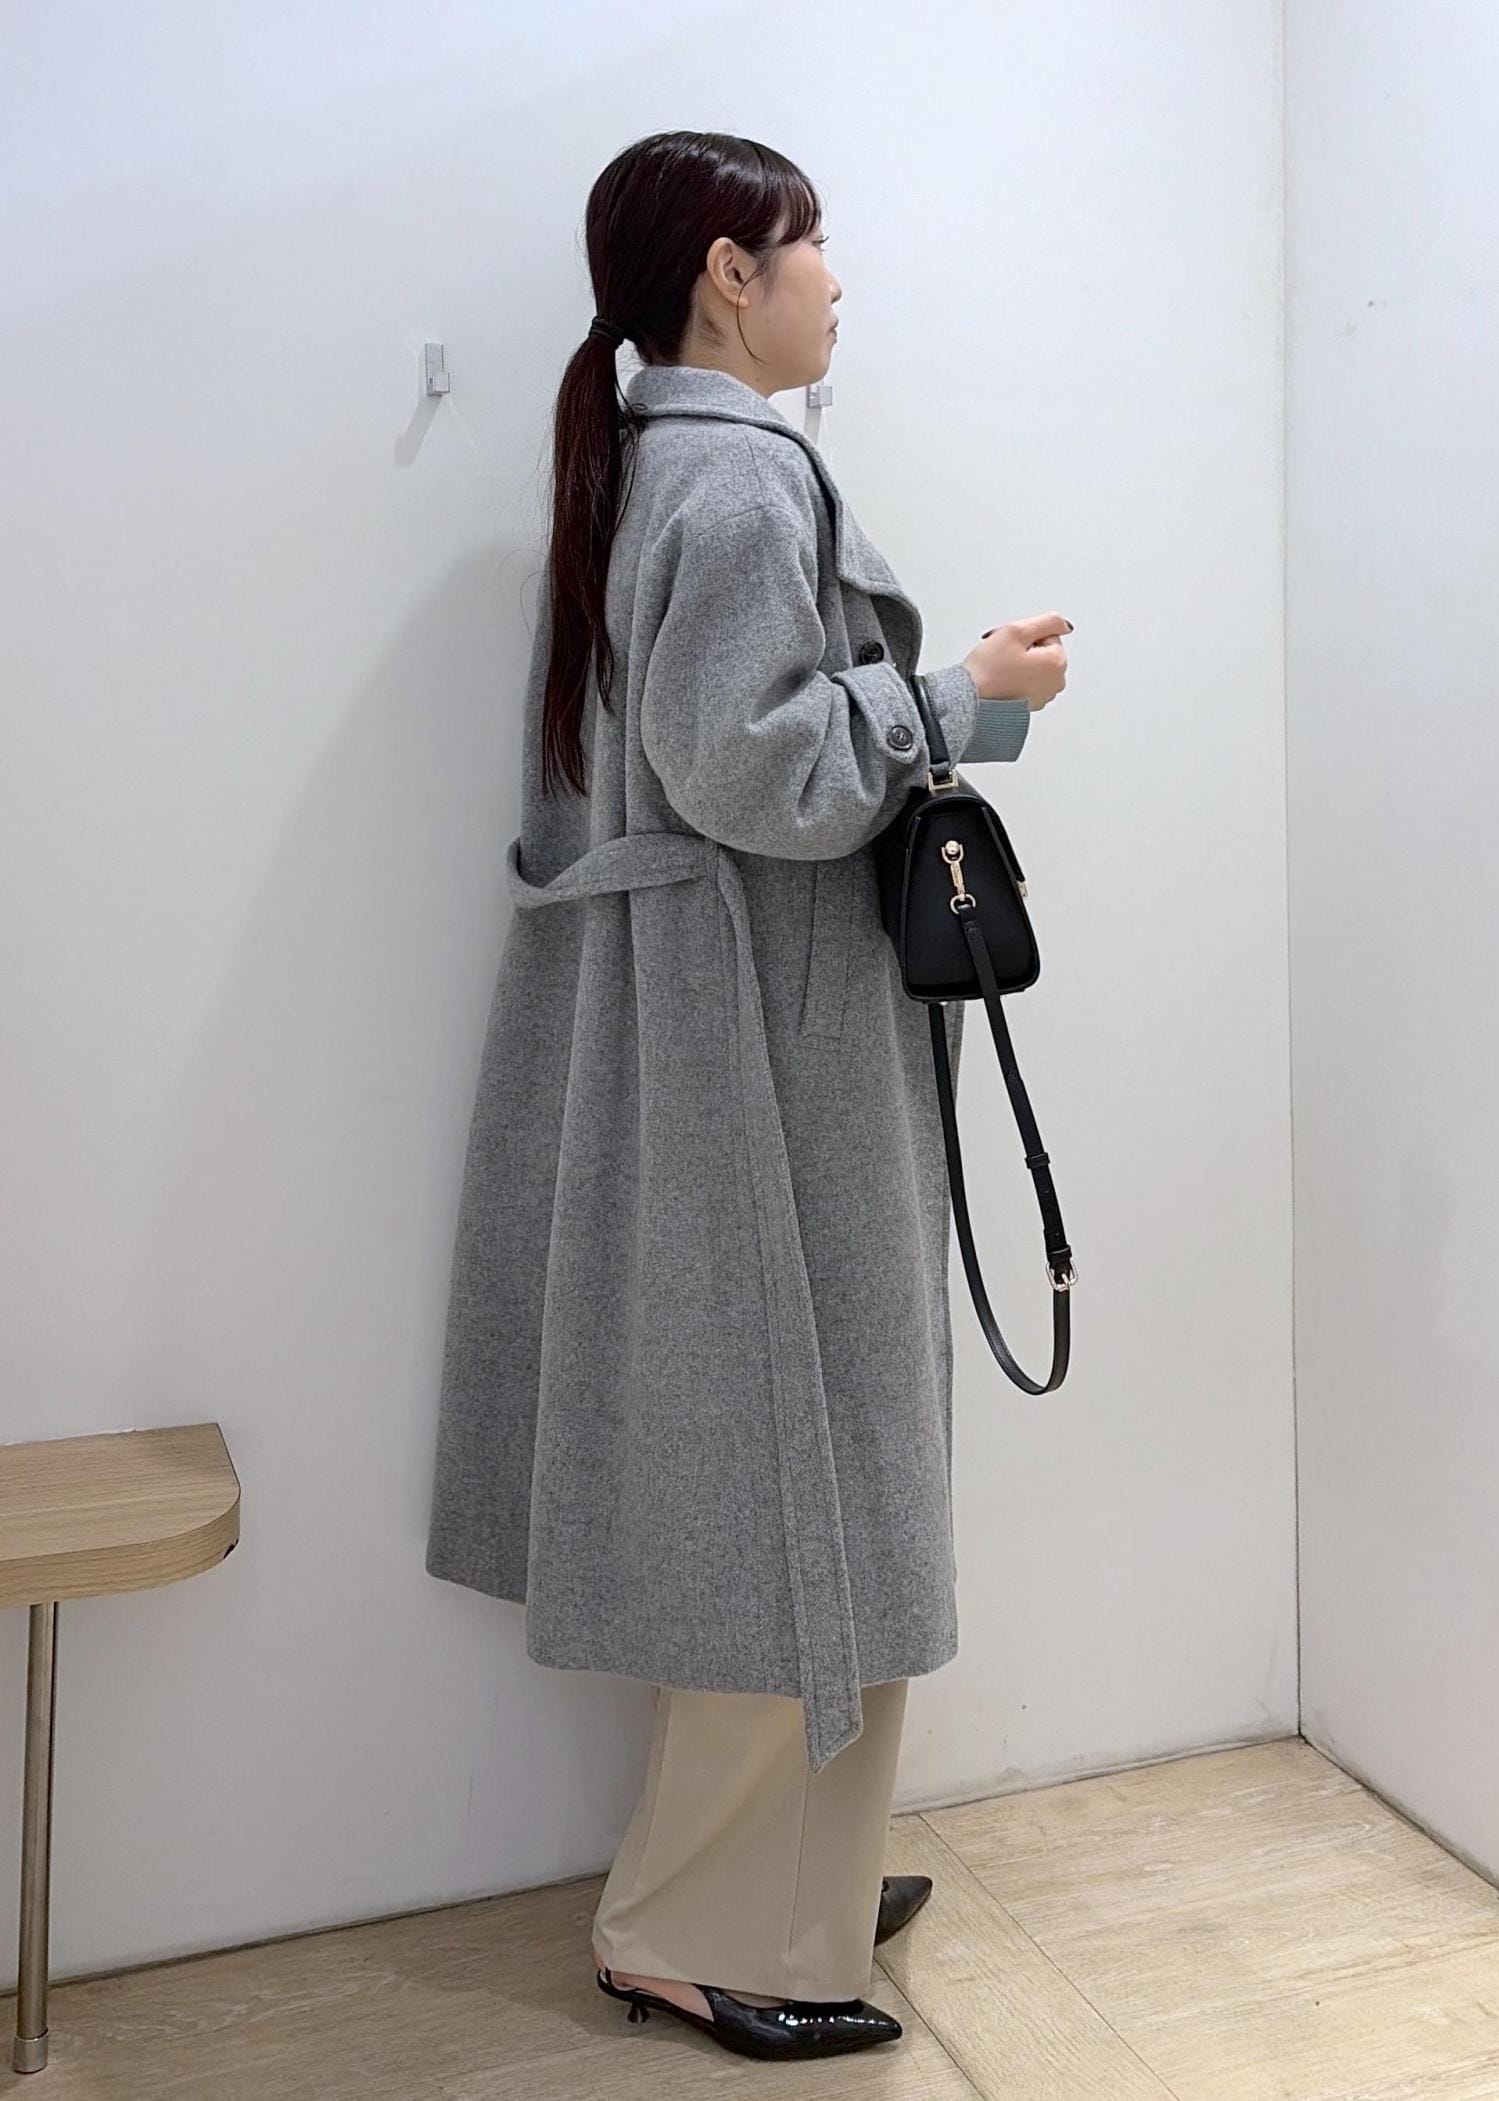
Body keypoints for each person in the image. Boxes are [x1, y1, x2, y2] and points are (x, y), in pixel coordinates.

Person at [423, 128, 1068, 2063]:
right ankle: (696, 1929)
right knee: (795, 1475)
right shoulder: (728, 477)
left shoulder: (658, 466)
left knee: (791, 1467)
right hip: (756, 1047)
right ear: (729, 271)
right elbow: (756, 769)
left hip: (732, 1026)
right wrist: (964, 694)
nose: (837, 279)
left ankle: (799, 1872)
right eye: (811, 244)